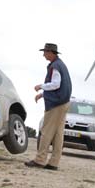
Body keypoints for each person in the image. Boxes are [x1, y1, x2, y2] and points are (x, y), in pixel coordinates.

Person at [25, 43, 72, 171]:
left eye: (45, 52)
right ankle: (54, 162)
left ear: (51, 52)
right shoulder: (60, 64)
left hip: (56, 105)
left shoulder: (55, 66)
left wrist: (41, 86)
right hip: (64, 103)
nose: (43, 54)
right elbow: (59, 86)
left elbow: (56, 84)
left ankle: (40, 160)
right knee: (58, 134)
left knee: (46, 132)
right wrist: (43, 94)